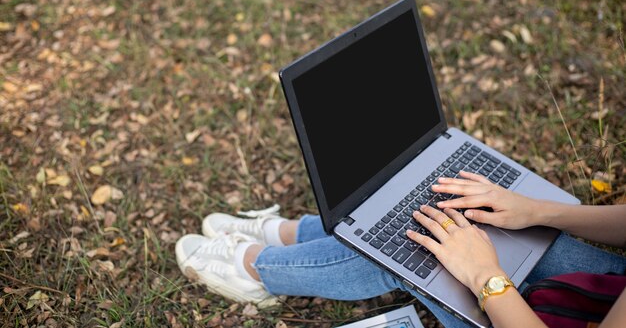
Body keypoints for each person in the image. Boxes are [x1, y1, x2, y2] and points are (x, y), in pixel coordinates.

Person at [176, 171, 626, 327]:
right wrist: (538, 211)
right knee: (459, 216)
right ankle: (294, 234)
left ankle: (259, 270)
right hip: (606, 290)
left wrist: (485, 278)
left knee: (416, 254)